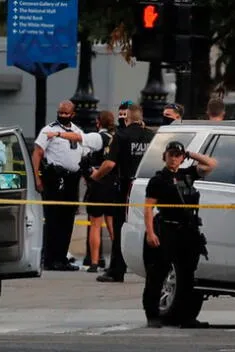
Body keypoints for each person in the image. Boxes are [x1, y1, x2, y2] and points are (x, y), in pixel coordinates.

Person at [143, 141, 217, 328]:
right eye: (171, 154)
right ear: (165, 156)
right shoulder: (158, 180)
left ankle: (185, 316)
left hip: (188, 231)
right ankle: (152, 314)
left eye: (177, 155)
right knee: (158, 274)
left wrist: (190, 154)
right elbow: (148, 208)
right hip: (167, 229)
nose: (174, 158)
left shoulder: (188, 175)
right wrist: (150, 232)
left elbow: (211, 164)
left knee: (187, 275)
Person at [46, 111, 118, 272]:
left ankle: (93, 262)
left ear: (99, 122)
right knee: (113, 225)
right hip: (114, 185)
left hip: (99, 184)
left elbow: (79, 138)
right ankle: (117, 260)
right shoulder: (117, 137)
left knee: (95, 224)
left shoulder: (99, 137)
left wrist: (58, 133)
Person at [91, 104, 155, 282]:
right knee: (147, 226)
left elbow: (110, 164)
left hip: (126, 186)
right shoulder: (152, 136)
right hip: (147, 185)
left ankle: (117, 269)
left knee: (121, 227)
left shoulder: (121, 135)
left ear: (126, 118)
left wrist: (96, 176)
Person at [32, 100, 83, 271]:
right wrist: (36, 178)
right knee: (54, 219)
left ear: (73, 114)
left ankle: (61, 257)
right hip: (55, 179)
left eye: (66, 113)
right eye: (60, 112)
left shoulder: (76, 131)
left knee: (68, 220)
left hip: (72, 180)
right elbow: (37, 153)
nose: (62, 116)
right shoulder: (49, 130)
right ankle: (49, 258)